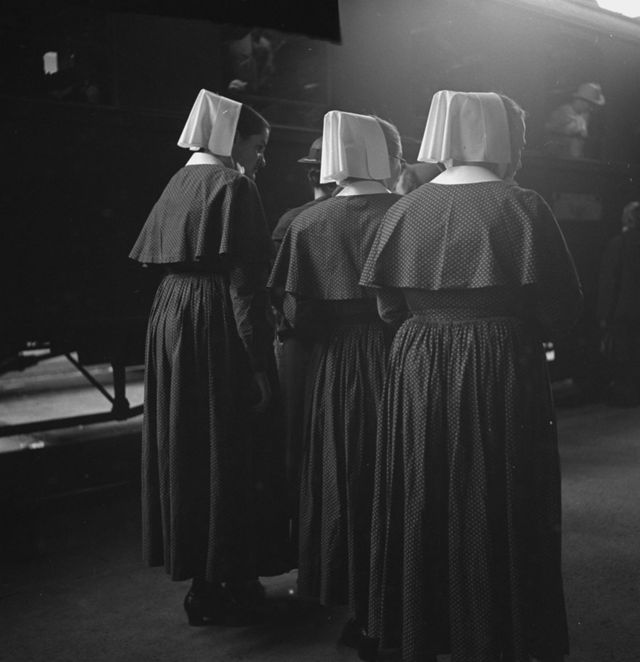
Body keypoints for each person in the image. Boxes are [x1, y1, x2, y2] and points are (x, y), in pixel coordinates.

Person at [360, 91, 583, 662]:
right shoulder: (522, 205)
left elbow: (388, 308)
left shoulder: (404, 209)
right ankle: (498, 632)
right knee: (502, 492)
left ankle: (427, 629)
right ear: (499, 138)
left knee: (424, 490)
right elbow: (561, 308)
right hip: (501, 362)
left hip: (419, 362)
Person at [129, 89, 275, 627]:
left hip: (171, 313)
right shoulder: (234, 185)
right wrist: (258, 360)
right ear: (233, 140)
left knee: (185, 443)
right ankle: (232, 576)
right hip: (215, 318)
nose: (261, 159)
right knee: (226, 442)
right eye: (258, 146)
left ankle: (201, 584)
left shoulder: (177, 182)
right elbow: (245, 284)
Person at [268, 110, 403, 654]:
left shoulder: (308, 223)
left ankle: (355, 602)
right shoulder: (406, 212)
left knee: (343, 474)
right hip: (399, 355)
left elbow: (296, 314)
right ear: (386, 156)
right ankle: (399, 599)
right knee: (398, 476)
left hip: (336, 363)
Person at [270, 137, 339, 561]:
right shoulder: (340, 216)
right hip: (337, 342)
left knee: (296, 437)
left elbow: (279, 294)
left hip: (296, 344)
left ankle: (302, 542)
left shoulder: (291, 221)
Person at [597, 200, 640, 406]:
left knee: (624, 356)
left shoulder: (618, 244)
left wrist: (604, 316)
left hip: (623, 312)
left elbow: (610, 281)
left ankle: (627, 395)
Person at [544, 81, 605, 159]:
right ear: (582, 101)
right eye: (590, 105)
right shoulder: (562, 113)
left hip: (573, 161)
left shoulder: (582, 118)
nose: (591, 109)